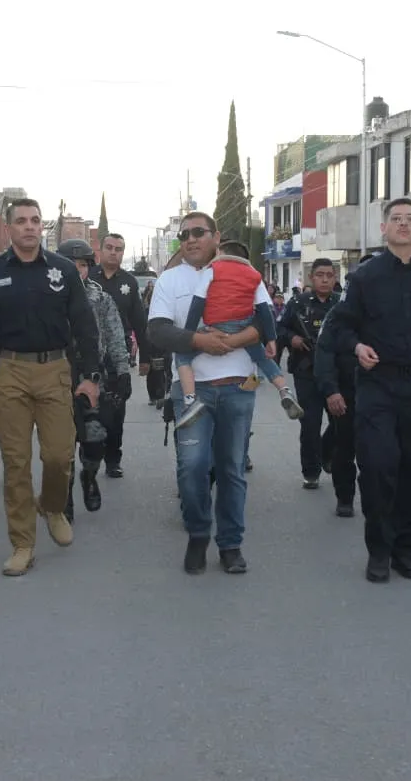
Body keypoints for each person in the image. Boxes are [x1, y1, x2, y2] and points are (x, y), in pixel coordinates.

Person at [321, 199, 411, 584]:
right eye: (396, 220)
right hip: (378, 386)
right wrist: (357, 347)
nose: (404, 225)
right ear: (383, 228)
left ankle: (406, 550)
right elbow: (338, 327)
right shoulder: (364, 277)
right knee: (377, 467)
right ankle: (380, 551)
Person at [0, 199, 101, 577]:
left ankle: (52, 505)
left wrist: (90, 375)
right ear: (8, 229)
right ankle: (23, 544)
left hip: (55, 370)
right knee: (16, 463)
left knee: (58, 455)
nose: (29, 227)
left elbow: (85, 325)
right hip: (9, 373)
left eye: (35, 220)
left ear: (42, 226)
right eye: (21, 221)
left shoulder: (64, 270)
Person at [148, 213, 264, 575]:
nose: (191, 239)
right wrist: (199, 341)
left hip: (238, 385)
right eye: (184, 235)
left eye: (199, 233)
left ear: (217, 236)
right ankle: (198, 532)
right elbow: (157, 331)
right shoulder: (170, 279)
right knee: (192, 467)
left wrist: (231, 341)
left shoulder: (242, 273)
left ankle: (231, 545)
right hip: (190, 388)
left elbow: (266, 320)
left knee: (231, 469)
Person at [173, 239, 297, 431]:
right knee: (263, 357)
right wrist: (271, 338)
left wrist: (190, 335)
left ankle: (190, 400)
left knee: (182, 356)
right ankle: (284, 390)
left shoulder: (212, 270)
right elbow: (264, 309)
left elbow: (198, 301)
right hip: (243, 326)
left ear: (221, 253)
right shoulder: (254, 274)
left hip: (216, 326)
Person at [61, 239, 131, 520]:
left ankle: (88, 476)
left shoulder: (100, 299)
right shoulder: (47, 296)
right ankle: (64, 498)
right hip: (55, 376)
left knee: (95, 437)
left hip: (92, 377)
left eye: (83, 266)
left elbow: (115, 336)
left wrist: (123, 371)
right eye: (73, 265)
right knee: (62, 442)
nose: (79, 271)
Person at [315, 251, 379, 518]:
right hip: (346, 390)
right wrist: (331, 391)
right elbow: (325, 353)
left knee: (377, 451)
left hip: (382, 394)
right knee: (346, 446)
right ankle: (345, 497)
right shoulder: (338, 315)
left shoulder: (395, 313)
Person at [277, 258, 340, 488]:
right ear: (311, 278)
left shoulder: (342, 304)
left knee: (340, 422)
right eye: (320, 275)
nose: (325, 279)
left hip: (336, 373)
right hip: (306, 371)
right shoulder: (297, 302)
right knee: (310, 424)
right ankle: (311, 472)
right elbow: (279, 327)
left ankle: (326, 451)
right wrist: (291, 338)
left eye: (329, 275)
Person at [90, 232, 149, 478]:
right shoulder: (87, 277)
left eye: (119, 249)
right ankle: (90, 456)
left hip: (118, 355)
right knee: (90, 410)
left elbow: (139, 321)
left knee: (116, 411)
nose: (114, 252)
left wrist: (146, 357)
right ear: (100, 250)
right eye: (110, 247)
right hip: (89, 353)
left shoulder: (129, 283)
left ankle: (113, 458)